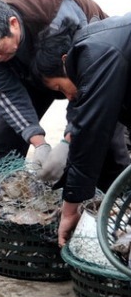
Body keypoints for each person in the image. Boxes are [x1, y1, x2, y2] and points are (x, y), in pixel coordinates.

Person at [0, 0, 128, 190]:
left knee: (105, 141)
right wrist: (39, 142)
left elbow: (89, 92)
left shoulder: (59, 19)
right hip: (27, 72)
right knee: (3, 139)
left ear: (13, 24)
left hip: (91, 67)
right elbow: (4, 91)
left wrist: (68, 141)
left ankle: (114, 204)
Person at [33, 13, 131, 246]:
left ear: (66, 60)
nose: (68, 96)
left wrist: (69, 210)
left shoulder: (96, 52)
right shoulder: (101, 44)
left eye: (60, 86)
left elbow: (91, 136)